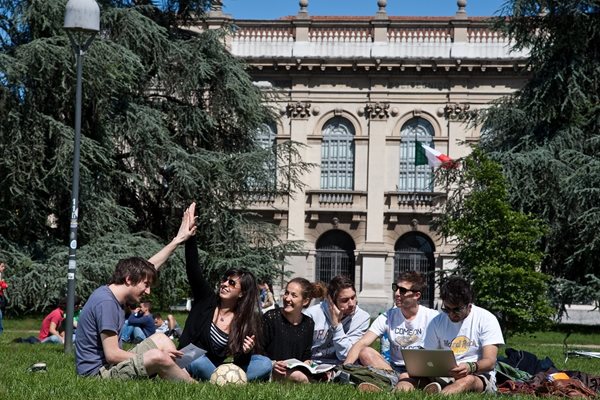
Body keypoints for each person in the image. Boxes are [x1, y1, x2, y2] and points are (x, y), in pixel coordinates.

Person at [74, 204, 198, 382]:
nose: (147, 291)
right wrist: (160, 359)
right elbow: (112, 355)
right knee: (158, 355)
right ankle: (194, 388)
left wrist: (178, 240)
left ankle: (184, 377)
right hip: (98, 375)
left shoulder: (113, 291)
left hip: (109, 366)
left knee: (162, 339)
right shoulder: (106, 302)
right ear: (128, 280)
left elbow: (149, 267)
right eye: (146, 285)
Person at [178, 203, 272, 382]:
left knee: (265, 363)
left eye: (231, 283)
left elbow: (239, 360)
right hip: (192, 357)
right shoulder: (206, 300)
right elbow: (194, 269)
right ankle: (228, 381)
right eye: (224, 280)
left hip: (218, 366)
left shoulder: (244, 319)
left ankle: (222, 380)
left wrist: (245, 352)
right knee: (199, 361)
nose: (224, 284)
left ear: (242, 293)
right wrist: (190, 237)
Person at [345, 271, 439, 391]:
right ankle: (406, 383)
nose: (397, 293)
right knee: (365, 352)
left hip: (421, 369)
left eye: (403, 290)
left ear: (417, 295)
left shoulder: (432, 317)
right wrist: (345, 368)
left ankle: (387, 386)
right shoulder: (388, 316)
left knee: (406, 376)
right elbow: (362, 343)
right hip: (393, 368)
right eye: (395, 288)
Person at [419, 276, 505, 395]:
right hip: (444, 374)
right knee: (405, 376)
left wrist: (470, 367)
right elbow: (428, 356)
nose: (451, 314)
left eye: (456, 310)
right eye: (446, 309)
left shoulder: (486, 319)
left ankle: (438, 395)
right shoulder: (437, 321)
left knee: (467, 380)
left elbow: (490, 362)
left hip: (477, 375)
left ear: (469, 306)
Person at [303, 275, 370, 365]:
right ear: (331, 301)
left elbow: (347, 355)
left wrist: (337, 325)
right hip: (313, 363)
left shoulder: (362, 317)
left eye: (353, 297)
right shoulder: (312, 314)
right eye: (345, 300)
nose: (351, 304)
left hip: (342, 364)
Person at [261, 278, 317, 383]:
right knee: (298, 376)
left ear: (305, 301)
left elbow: (306, 353)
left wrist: (307, 363)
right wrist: (273, 364)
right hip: (273, 369)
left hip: (296, 369)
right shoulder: (271, 317)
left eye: (294, 295)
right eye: (286, 293)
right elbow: (259, 349)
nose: (287, 298)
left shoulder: (309, 323)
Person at [0, 262, 7, 335]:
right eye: (2, 266)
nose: (3, 268)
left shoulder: (1, 275)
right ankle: (0, 331)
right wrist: (3, 285)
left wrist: (3, 284)